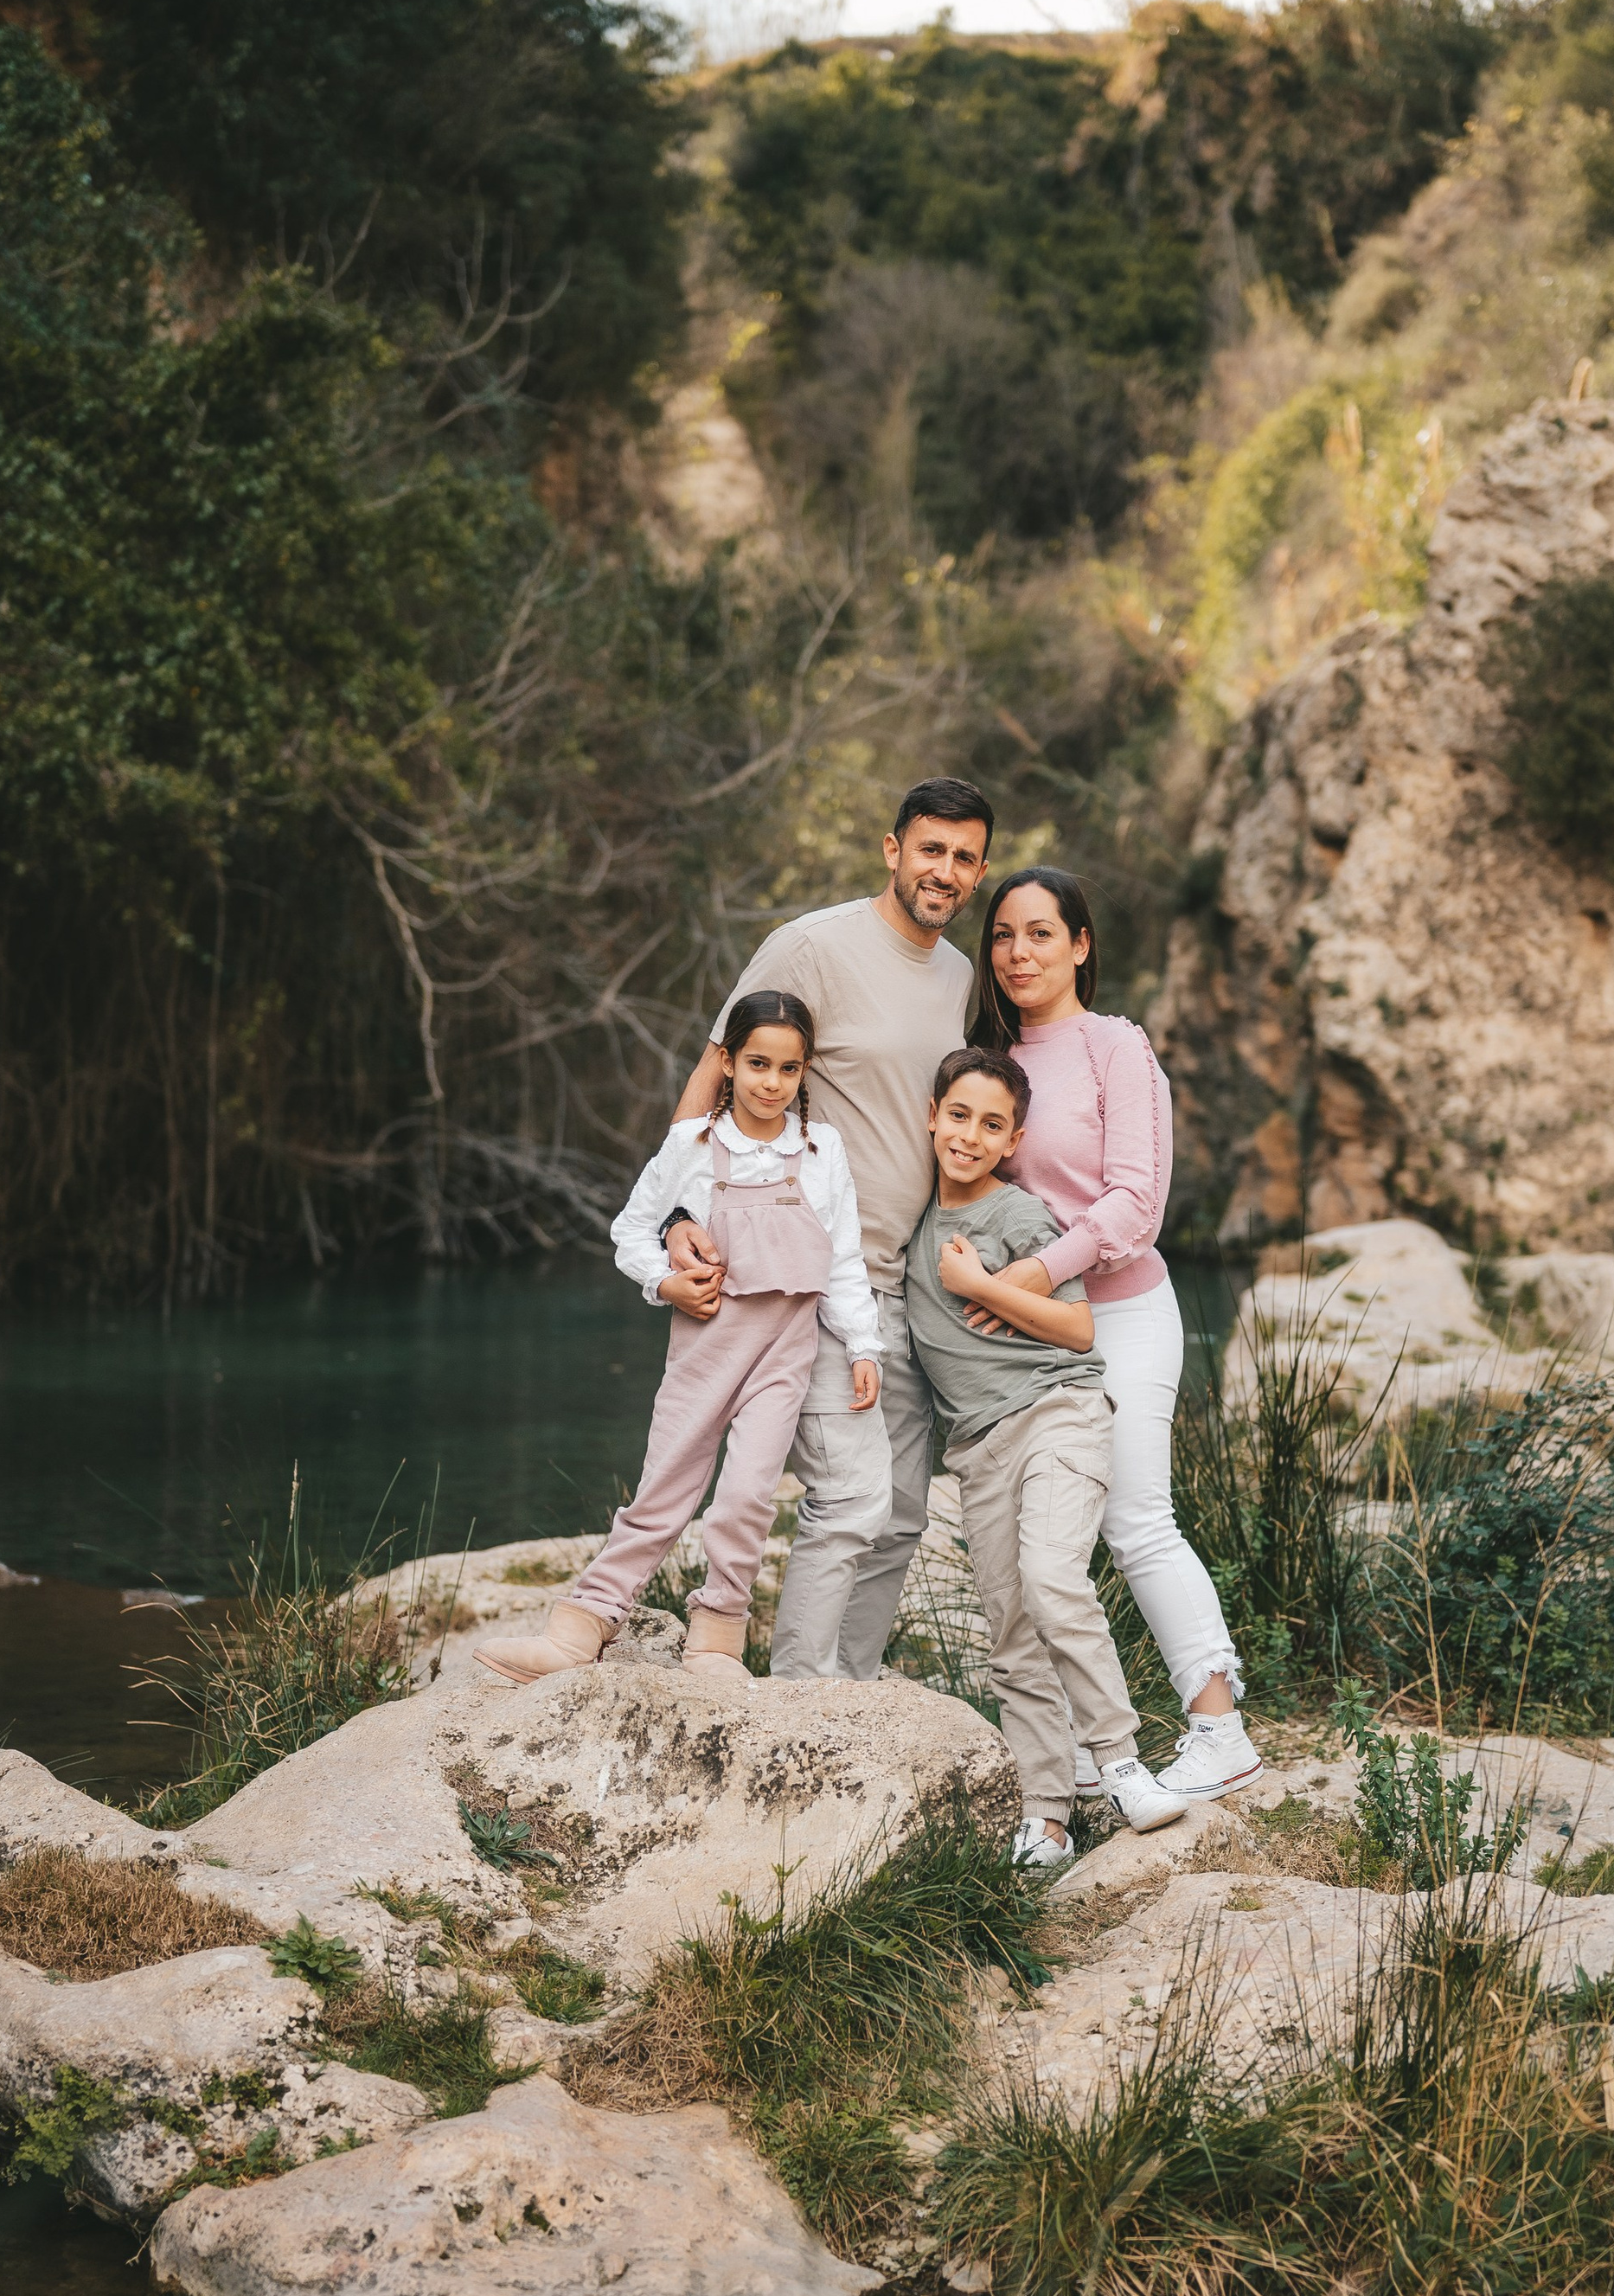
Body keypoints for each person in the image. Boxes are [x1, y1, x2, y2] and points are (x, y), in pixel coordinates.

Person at [660, 779, 993, 1682]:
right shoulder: (809, 945)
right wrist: (677, 1212)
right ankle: (800, 1696)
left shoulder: (960, 974)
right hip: (812, 1277)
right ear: (892, 849)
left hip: (909, 1280)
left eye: (964, 857)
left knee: (901, 1514)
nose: (945, 871)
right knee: (850, 1502)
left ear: (979, 871)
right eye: (931, 849)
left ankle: (849, 1695)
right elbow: (718, 1071)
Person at [471, 993, 881, 1686]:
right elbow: (630, 1232)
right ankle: (581, 1627)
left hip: (787, 1350)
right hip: (705, 1344)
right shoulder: (691, 1144)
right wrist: (667, 1284)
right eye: (756, 1063)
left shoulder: (820, 1149)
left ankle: (717, 1641)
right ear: (726, 1062)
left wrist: (863, 1344)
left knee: (747, 1496)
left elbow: (843, 1258)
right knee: (663, 1492)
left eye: (788, 1069)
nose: (771, 1083)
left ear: (805, 1072)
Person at [964, 866, 1260, 1803]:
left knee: (1135, 1519)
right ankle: (1087, 1758)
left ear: (1081, 945)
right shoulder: (983, 1055)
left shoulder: (1113, 1046)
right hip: (1020, 1336)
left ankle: (1218, 1729)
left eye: (1041, 933)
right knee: (1037, 1551)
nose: (1018, 952)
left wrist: (1034, 1271)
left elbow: (1136, 1204)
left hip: (1121, 1314)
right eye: (1004, 934)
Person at [904, 1045, 1186, 1861]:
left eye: (992, 1125)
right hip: (980, 1446)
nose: (969, 1135)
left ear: (1012, 1140)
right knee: (1011, 1629)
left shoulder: (1018, 1217)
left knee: (1055, 1580)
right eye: (958, 1115)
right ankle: (1048, 1815)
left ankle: (1124, 1764)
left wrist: (984, 1285)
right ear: (931, 1117)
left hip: (1058, 1411)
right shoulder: (916, 1224)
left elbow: (1078, 1328)